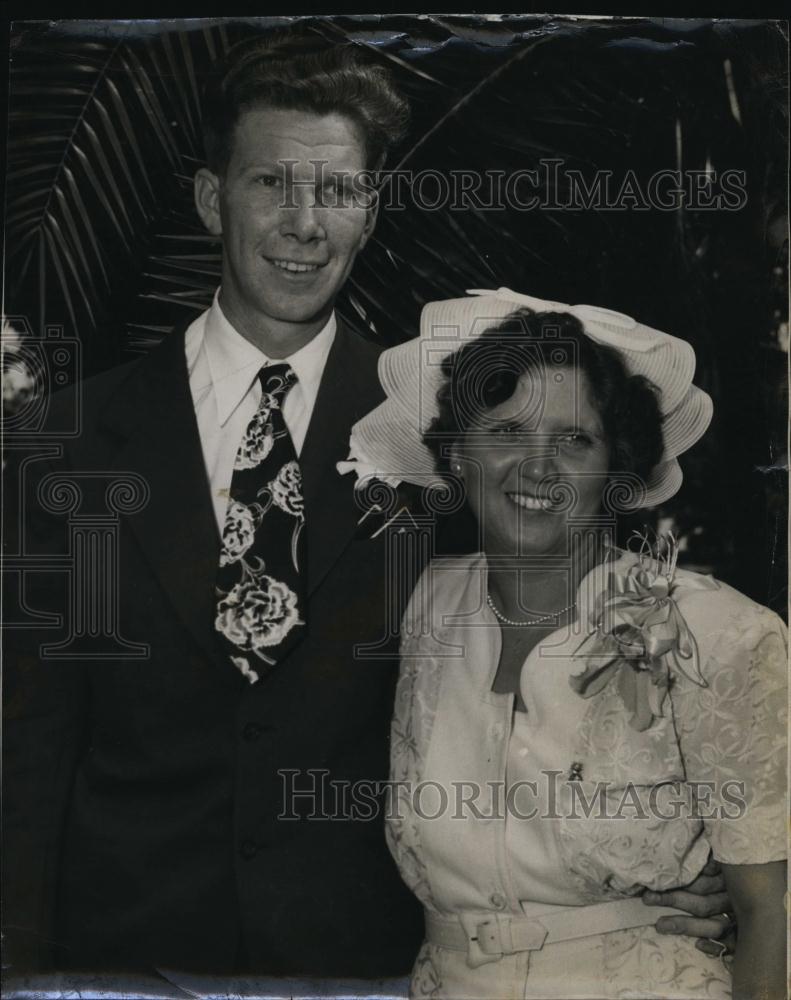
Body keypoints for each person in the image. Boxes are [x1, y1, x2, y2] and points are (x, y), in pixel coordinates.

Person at [2, 34, 736, 981]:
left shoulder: (456, 435)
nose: (305, 224)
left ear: (371, 211)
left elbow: (558, 657)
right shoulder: (62, 440)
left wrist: (660, 857)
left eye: (338, 192)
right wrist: (16, 961)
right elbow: (24, 744)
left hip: (376, 958)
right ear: (208, 197)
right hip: (117, 956)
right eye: (271, 182)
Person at [345, 288, 788, 999]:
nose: (537, 467)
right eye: (506, 432)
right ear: (457, 453)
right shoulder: (425, 602)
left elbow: (774, 912)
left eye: (573, 439)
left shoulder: (719, 634)